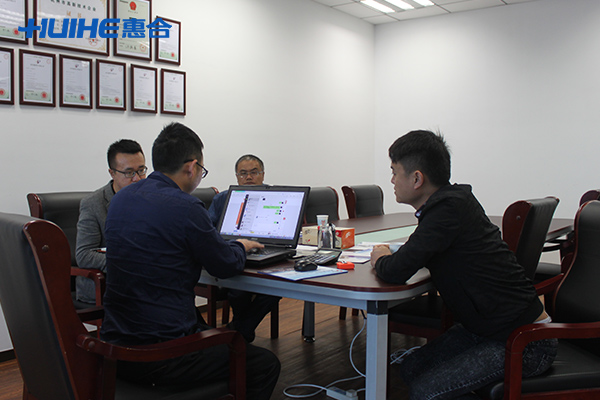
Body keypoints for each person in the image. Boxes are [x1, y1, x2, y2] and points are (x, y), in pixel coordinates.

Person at [370, 130, 558, 400]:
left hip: (525, 342)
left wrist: (380, 256)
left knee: (425, 391)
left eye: (394, 172)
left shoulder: (446, 212)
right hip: (487, 329)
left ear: (417, 178)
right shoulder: (453, 203)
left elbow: (395, 270)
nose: (392, 180)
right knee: (412, 367)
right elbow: (416, 253)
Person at [100, 122, 280, 400]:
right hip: (163, 354)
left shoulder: (120, 200)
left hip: (114, 347)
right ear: (192, 167)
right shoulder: (186, 206)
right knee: (265, 365)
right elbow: (225, 266)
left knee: (212, 332)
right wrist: (240, 246)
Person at [208, 154, 281, 343]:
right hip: (233, 254)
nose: (248, 177)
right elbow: (208, 232)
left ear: (263, 174)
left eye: (254, 172)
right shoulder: (222, 199)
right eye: (243, 173)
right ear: (236, 177)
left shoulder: (276, 195)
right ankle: (243, 331)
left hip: (267, 252)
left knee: (279, 285)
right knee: (238, 289)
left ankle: (240, 330)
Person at [75, 139, 147, 304]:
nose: (137, 179)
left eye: (141, 170)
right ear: (112, 173)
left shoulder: (151, 198)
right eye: (129, 173)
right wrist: (128, 262)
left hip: (144, 281)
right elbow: (84, 255)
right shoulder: (93, 204)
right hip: (108, 284)